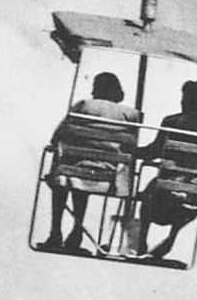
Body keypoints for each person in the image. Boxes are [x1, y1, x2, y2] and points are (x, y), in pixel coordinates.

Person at [45, 72, 141, 253]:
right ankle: (77, 229)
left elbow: (57, 137)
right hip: (108, 174)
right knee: (83, 173)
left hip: (75, 169)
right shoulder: (131, 114)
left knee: (67, 172)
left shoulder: (82, 106)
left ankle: (56, 230)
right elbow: (131, 147)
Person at [137, 80, 197, 261]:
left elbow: (154, 151)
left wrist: (134, 151)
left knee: (148, 196)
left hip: (168, 190)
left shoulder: (171, 121)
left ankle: (141, 242)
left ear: (184, 100)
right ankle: (171, 239)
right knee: (184, 201)